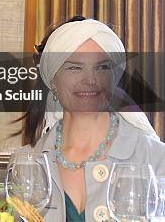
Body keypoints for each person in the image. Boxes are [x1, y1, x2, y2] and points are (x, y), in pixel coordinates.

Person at [17, 17, 165, 222]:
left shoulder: (157, 159)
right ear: (52, 80)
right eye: (74, 67)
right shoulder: (25, 162)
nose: (90, 80)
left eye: (102, 67)